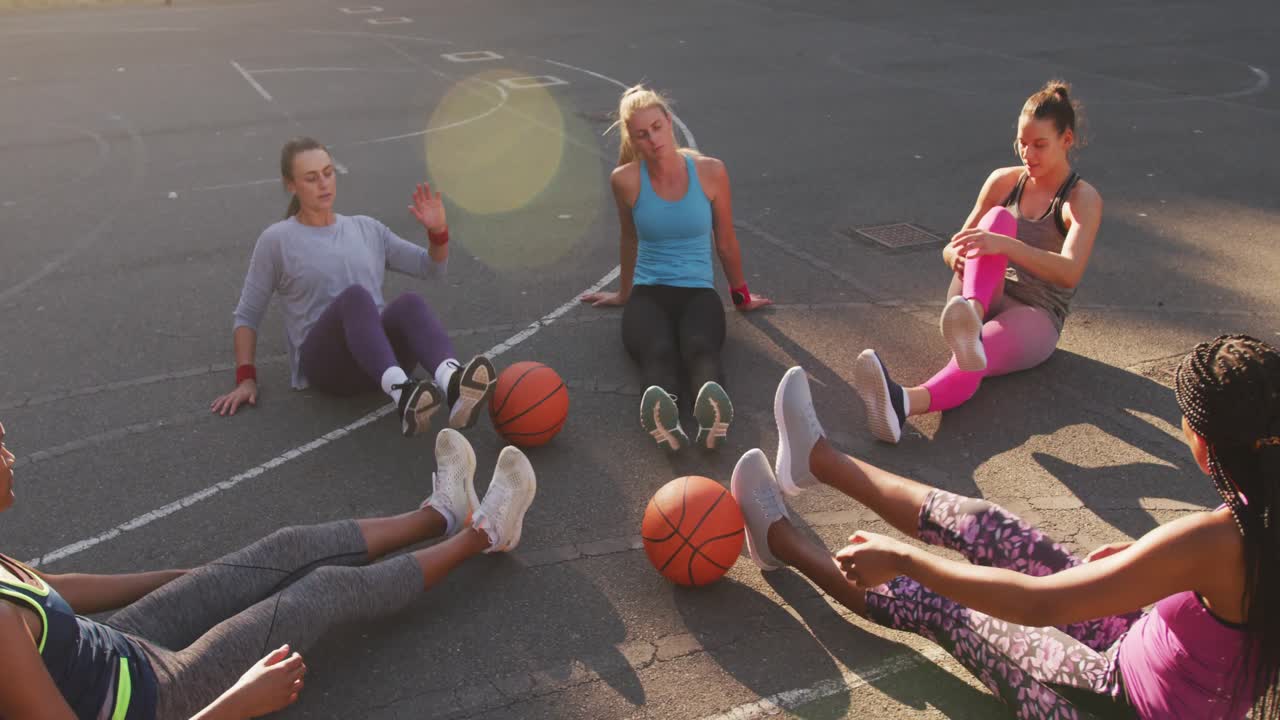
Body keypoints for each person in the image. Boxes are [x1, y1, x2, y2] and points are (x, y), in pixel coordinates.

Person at [732, 341, 1279, 718]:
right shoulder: (1248, 519)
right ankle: (816, 461)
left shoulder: (1215, 541)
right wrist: (1153, 558)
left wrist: (904, 560)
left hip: (1110, 702)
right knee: (987, 525)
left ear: (1205, 445)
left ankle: (777, 538)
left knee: (933, 601)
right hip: (1143, 647)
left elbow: (1040, 607)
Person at [0, 424, 535, 719]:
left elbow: (52, 592)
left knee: (282, 548)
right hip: (154, 697)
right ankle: (485, 533)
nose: (9, 450)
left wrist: (189, 577)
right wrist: (234, 705)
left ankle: (439, 514)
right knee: (322, 591)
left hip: (117, 644)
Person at [854, 81, 1102, 444]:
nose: (1027, 154)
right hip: (981, 292)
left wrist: (1007, 246)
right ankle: (969, 316)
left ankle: (902, 402)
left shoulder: (1081, 199)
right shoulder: (1004, 181)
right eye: (1022, 142)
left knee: (976, 357)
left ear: (1067, 140)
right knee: (998, 219)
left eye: (1039, 145)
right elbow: (954, 246)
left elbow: (1070, 272)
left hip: (1036, 313)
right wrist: (958, 256)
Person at [211, 137, 496, 437]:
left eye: (328, 172)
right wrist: (246, 379)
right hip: (329, 367)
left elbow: (432, 268)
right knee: (356, 298)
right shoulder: (277, 240)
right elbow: (247, 315)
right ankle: (404, 394)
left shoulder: (367, 228)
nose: (323, 183)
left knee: (410, 303)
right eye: (311, 178)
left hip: (378, 361)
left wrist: (438, 233)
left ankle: (454, 384)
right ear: (291, 185)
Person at [581, 85, 772, 452]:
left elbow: (727, 241)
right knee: (658, 351)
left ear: (669, 122)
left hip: (698, 292)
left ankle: (712, 415)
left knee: (700, 348)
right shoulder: (625, 180)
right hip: (648, 294)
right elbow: (629, 239)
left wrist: (741, 296)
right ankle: (661, 418)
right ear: (633, 140)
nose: (653, 139)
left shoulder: (710, 172)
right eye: (642, 134)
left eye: (657, 127)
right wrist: (623, 294)